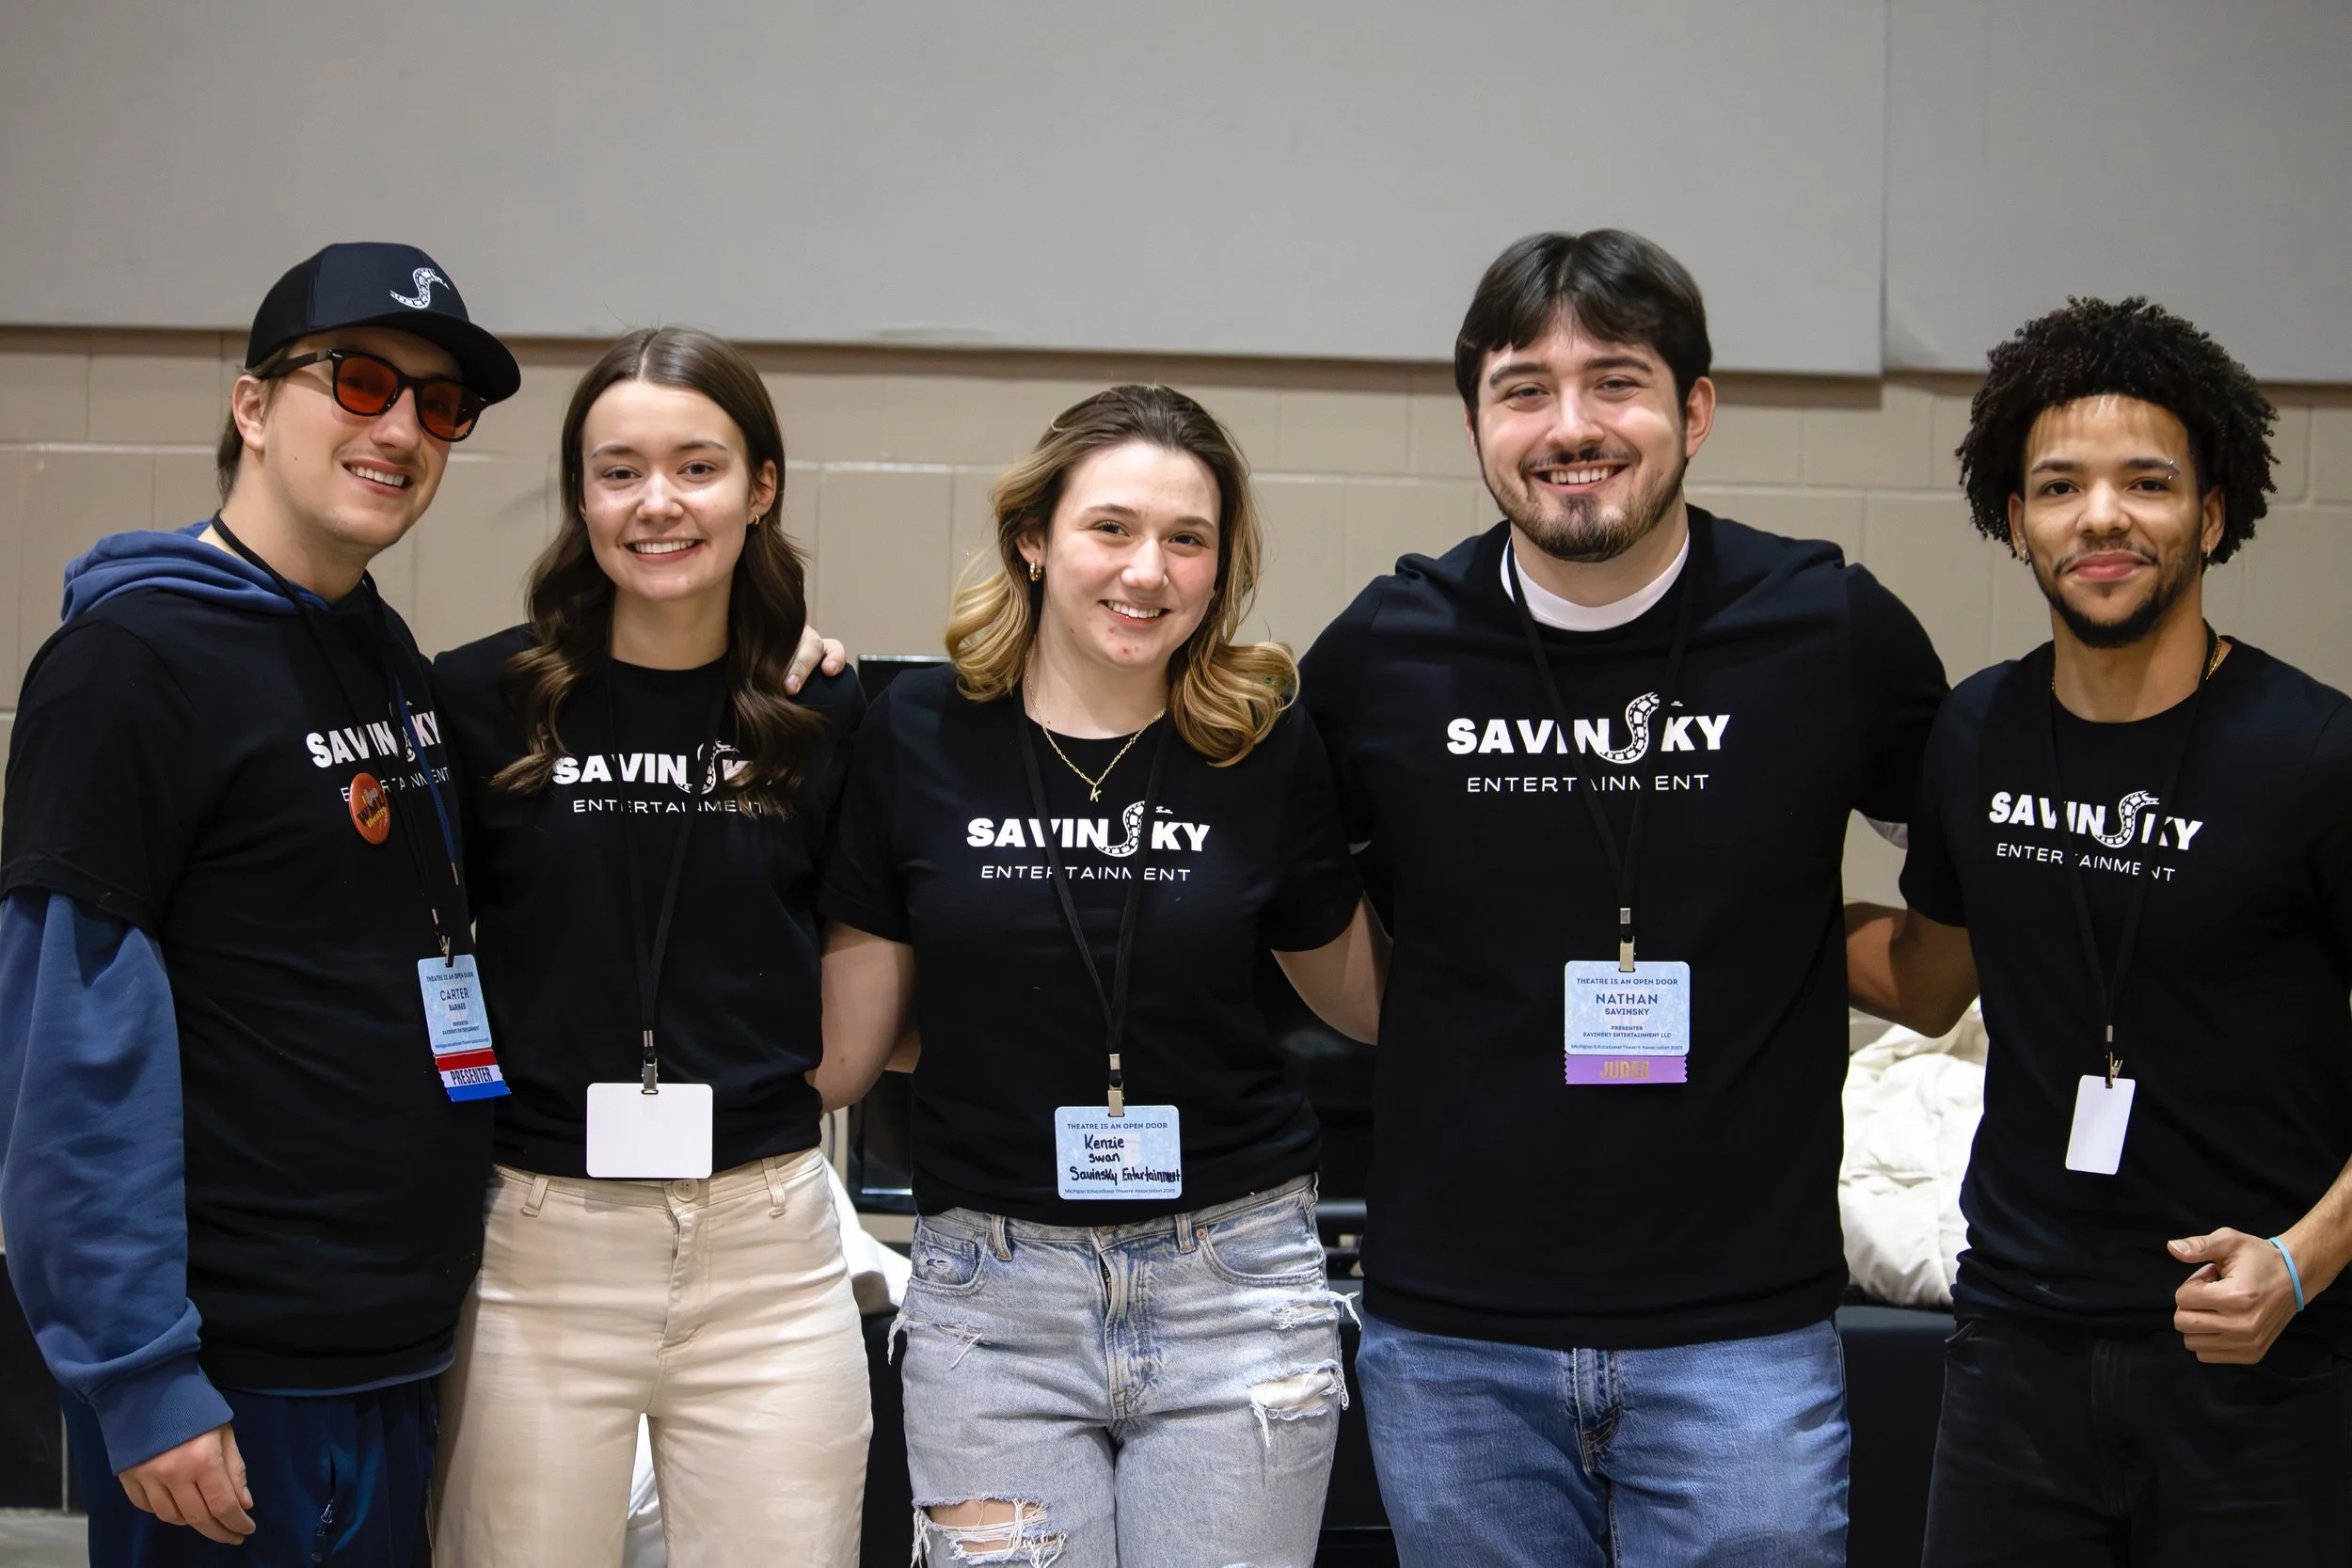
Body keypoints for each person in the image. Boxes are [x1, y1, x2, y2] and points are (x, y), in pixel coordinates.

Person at [1297, 230, 1949, 1567]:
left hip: (1742, 1337)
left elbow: (1958, 916)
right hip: (1453, 1336)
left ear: (1695, 410)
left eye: (1618, 380)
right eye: (1524, 387)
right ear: (1476, 418)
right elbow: (1287, 901)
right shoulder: (1385, 649)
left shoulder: (1829, 626)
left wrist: (1791, 946)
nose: (1571, 425)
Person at [0, 243, 521, 1566]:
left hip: (394, 1336)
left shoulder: (370, 641)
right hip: (235, 1372)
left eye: (438, 404)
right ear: (250, 406)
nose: (400, 427)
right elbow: (73, 1044)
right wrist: (141, 1376)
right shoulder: (128, 664)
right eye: (359, 381)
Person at [816, 384, 1388, 1568]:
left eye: (1187, 539)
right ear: (1033, 537)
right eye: (1111, 528)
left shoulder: (1260, 743)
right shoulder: (914, 729)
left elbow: (1363, 996)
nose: (1148, 571)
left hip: (1235, 1278)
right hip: (993, 1295)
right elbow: (856, 1046)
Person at [1848, 297, 2352, 1564]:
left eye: (2148, 481)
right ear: (2014, 521)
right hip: (2017, 1343)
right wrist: (1728, 905)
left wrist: (2302, 1260)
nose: (2104, 515)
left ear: (2215, 511)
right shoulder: (1975, 732)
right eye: (2060, 484)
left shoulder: (2315, 753)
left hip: (2257, 1350)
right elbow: (1928, 972)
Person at [427, 325, 869, 1567]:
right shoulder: (483, 700)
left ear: (761, 487)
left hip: (767, 1243)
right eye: (619, 470)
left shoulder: (821, 709)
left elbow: (853, 951)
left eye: (698, 466)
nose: (657, 502)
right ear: (581, 493)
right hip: (537, 1241)